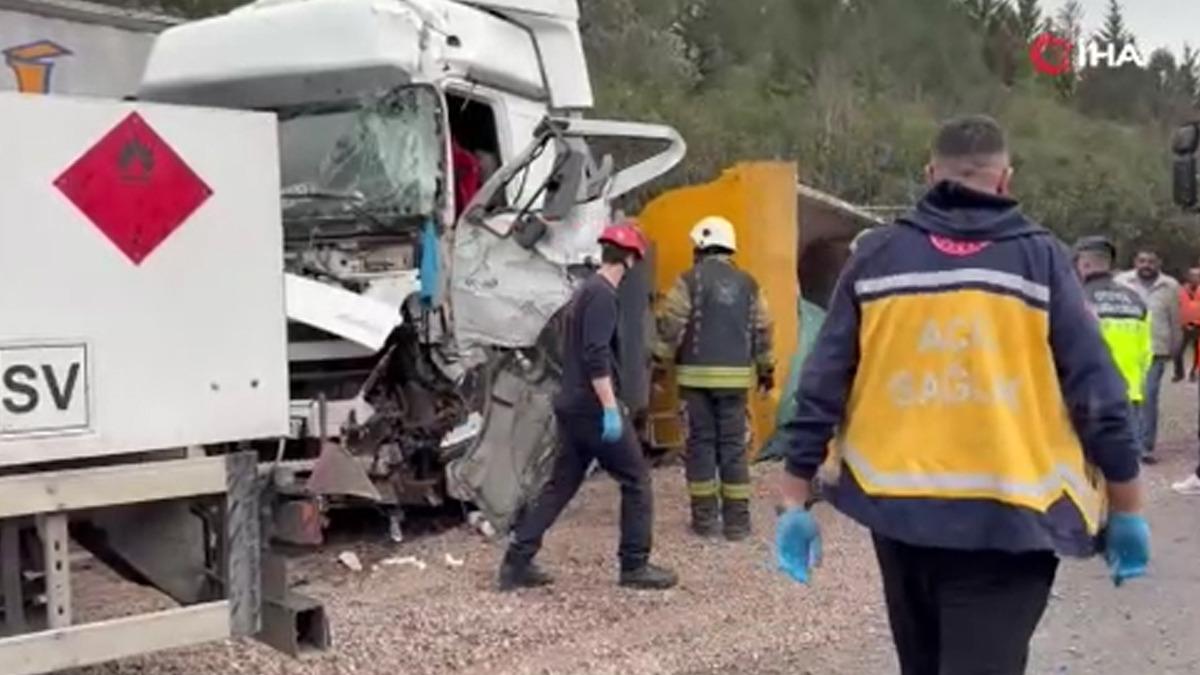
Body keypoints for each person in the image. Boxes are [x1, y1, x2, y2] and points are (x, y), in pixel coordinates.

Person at [775, 115, 1150, 675]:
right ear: (1006, 180)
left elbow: (822, 385)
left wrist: (793, 499)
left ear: (931, 175)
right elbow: (1099, 396)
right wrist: (1127, 508)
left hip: (902, 520)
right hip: (1011, 524)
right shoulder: (1042, 261)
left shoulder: (877, 258)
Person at [498, 220, 678, 592]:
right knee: (636, 480)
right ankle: (635, 565)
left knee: (560, 486)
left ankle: (516, 561)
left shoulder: (582, 292)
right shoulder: (603, 296)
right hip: (594, 408)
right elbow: (596, 356)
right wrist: (611, 407)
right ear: (629, 259)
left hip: (573, 404)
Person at [653, 216, 775, 540]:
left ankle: (704, 520)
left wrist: (658, 364)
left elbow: (671, 326)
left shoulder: (688, 281)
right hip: (735, 381)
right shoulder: (749, 284)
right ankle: (737, 523)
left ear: (703, 246)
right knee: (734, 447)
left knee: (701, 445)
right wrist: (766, 370)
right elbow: (763, 329)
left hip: (695, 379)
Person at [1073, 237, 1152, 451]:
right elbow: (1147, 353)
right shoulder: (1136, 300)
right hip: (1129, 393)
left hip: (1086, 396)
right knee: (1127, 467)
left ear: (1084, 264)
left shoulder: (1075, 298)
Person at [1116, 250, 1180, 464]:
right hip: (1126, 348)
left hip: (1156, 349)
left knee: (1148, 397)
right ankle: (1127, 441)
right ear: (1135, 262)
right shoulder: (1121, 282)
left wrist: (1175, 348)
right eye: (1142, 261)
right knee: (1127, 397)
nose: (1147, 265)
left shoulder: (1170, 286)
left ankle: (1145, 447)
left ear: (1159, 263)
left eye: (1151, 261)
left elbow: (1175, 319)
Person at [1175, 267, 1200, 382]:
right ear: (1188, 276)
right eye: (1193, 275)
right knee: (1178, 351)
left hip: (1198, 326)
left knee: (1197, 352)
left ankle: (1194, 373)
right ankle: (1179, 373)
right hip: (1183, 326)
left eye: (1198, 276)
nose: (1195, 278)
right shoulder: (1180, 290)